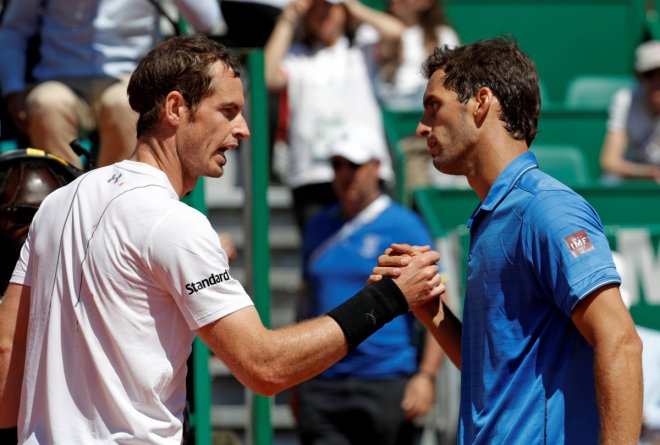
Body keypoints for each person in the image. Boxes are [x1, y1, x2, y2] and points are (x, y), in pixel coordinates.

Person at [0, 34, 444, 444]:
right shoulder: (175, 223)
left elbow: (6, 371)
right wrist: (390, 298)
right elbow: (265, 367)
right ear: (175, 109)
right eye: (228, 111)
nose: (245, 129)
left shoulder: (57, 204)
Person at [372, 36, 644, 444]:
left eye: (434, 107)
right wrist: (431, 310)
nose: (421, 126)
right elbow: (495, 376)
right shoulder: (493, 217)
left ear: (481, 102)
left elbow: (620, 343)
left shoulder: (547, 210)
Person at [291, 125, 445, 445]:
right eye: (337, 166)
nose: (346, 174)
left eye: (355, 165)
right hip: (322, 383)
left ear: (376, 166)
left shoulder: (406, 225)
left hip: (385, 380)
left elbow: (438, 303)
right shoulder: (318, 226)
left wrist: (426, 376)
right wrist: (295, 376)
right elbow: (305, 300)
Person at [0, 0, 222, 170]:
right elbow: (14, 29)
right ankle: (64, 208)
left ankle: (113, 206)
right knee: (46, 103)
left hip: (130, 78)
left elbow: (207, 20)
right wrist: (13, 88)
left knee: (125, 105)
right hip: (60, 78)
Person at [264, 0, 400, 234]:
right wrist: (289, 19)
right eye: (316, 7)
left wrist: (354, 8)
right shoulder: (296, 56)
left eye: (330, 6)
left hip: (363, 169)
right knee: (320, 260)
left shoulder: (362, 50)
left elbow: (396, 33)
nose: (323, 13)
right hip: (311, 173)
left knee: (374, 256)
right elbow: (268, 76)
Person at [355, 0, 459, 111]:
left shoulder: (444, 36)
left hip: (426, 114)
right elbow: (394, 32)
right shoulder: (370, 32)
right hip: (385, 115)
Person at [600, 39, 660, 181]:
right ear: (639, 77)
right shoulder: (625, 99)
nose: (657, 81)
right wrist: (648, 173)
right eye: (650, 74)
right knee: (610, 180)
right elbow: (609, 161)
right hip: (632, 176)